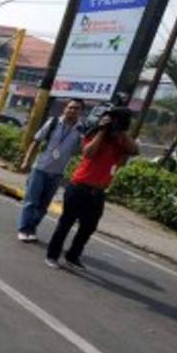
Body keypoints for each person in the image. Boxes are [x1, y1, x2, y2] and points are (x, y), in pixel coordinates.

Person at [45, 106, 138, 269]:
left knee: (88, 227)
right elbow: (88, 153)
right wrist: (102, 130)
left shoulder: (120, 141)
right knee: (66, 223)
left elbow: (134, 151)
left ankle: (72, 256)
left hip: (98, 192)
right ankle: (52, 255)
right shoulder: (94, 133)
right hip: (79, 187)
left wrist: (122, 132)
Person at [17, 99, 84, 242]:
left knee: (44, 205)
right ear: (64, 109)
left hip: (58, 173)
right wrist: (26, 161)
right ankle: (23, 229)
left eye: (76, 109)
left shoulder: (80, 130)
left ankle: (32, 228)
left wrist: (83, 140)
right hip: (40, 168)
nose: (73, 110)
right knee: (31, 201)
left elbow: (79, 152)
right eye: (70, 107)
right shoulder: (53, 123)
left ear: (80, 112)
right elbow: (36, 141)